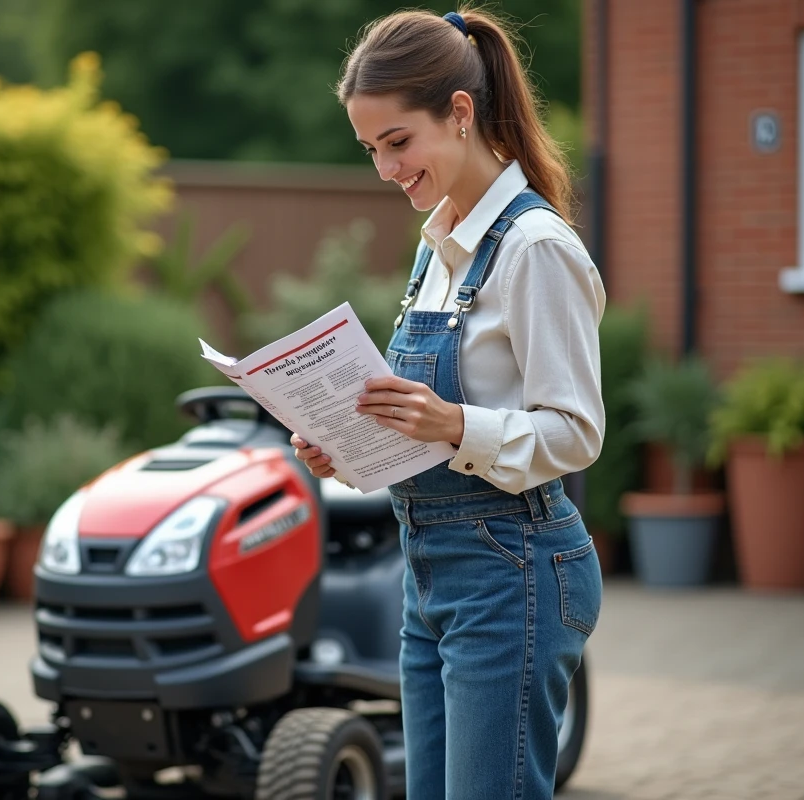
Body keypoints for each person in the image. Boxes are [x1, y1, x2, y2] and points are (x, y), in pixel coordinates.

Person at [290, 7, 606, 799]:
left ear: (460, 113)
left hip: (513, 570)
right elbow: (426, 428)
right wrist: (348, 446)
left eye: (399, 142)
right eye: (371, 150)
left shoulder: (535, 249)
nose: (386, 168)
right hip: (427, 569)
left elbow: (575, 431)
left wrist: (455, 424)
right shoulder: (439, 249)